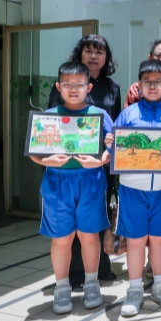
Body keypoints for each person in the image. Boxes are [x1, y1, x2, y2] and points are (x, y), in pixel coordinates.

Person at [33, 61, 113, 314]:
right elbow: (34, 153)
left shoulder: (99, 115)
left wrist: (100, 160)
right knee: (62, 237)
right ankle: (62, 287)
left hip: (90, 181)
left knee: (89, 234)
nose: (73, 89)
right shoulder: (49, 117)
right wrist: (47, 160)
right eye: (67, 85)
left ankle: (91, 284)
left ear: (88, 86)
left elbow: (113, 149)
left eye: (79, 84)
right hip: (57, 182)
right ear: (59, 87)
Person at [113, 60, 161, 317]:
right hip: (132, 188)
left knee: (159, 239)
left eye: (158, 81)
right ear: (140, 85)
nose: (153, 86)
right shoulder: (128, 114)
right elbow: (117, 149)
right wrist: (111, 142)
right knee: (135, 240)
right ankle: (134, 291)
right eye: (148, 82)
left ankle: (160, 285)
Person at [47, 35, 120, 288]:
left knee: (93, 224)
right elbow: (49, 130)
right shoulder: (64, 86)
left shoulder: (113, 87)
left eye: (99, 52)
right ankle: (72, 277)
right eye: (88, 51)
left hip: (97, 167)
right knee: (66, 231)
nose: (93, 56)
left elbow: (115, 129)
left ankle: (97, 273)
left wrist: (106, 160)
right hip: (65, 169)